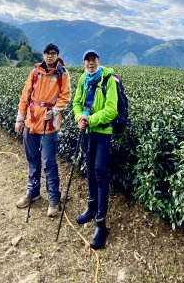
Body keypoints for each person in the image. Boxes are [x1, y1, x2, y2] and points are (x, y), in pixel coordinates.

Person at [15, 42, 71, 217]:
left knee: (49, 162)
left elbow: (65, 96)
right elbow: (25, 96)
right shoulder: (35, 72)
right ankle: (33, 193)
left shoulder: (62, 74)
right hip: (31, 121)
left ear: (57, 55)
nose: (50, 56)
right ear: (43, 55)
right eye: (47, 53)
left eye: (53, 53)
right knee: (33, 160)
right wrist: (20, 119)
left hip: (49, 124)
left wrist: (54, 111)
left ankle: (54, 199)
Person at [73, 49, 118, 249]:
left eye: (94, 59)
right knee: (89, 169)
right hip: (88, 131)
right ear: (84, 64)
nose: (91, 63)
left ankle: (101, 223)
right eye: (87, 60)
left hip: (103, 132)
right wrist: (79, 117)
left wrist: (90, 119)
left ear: (99, 61)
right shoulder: (83, 78)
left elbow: (112, 110)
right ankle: (91, 208)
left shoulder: (108, 79)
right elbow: (76, 102)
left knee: (100, 173)